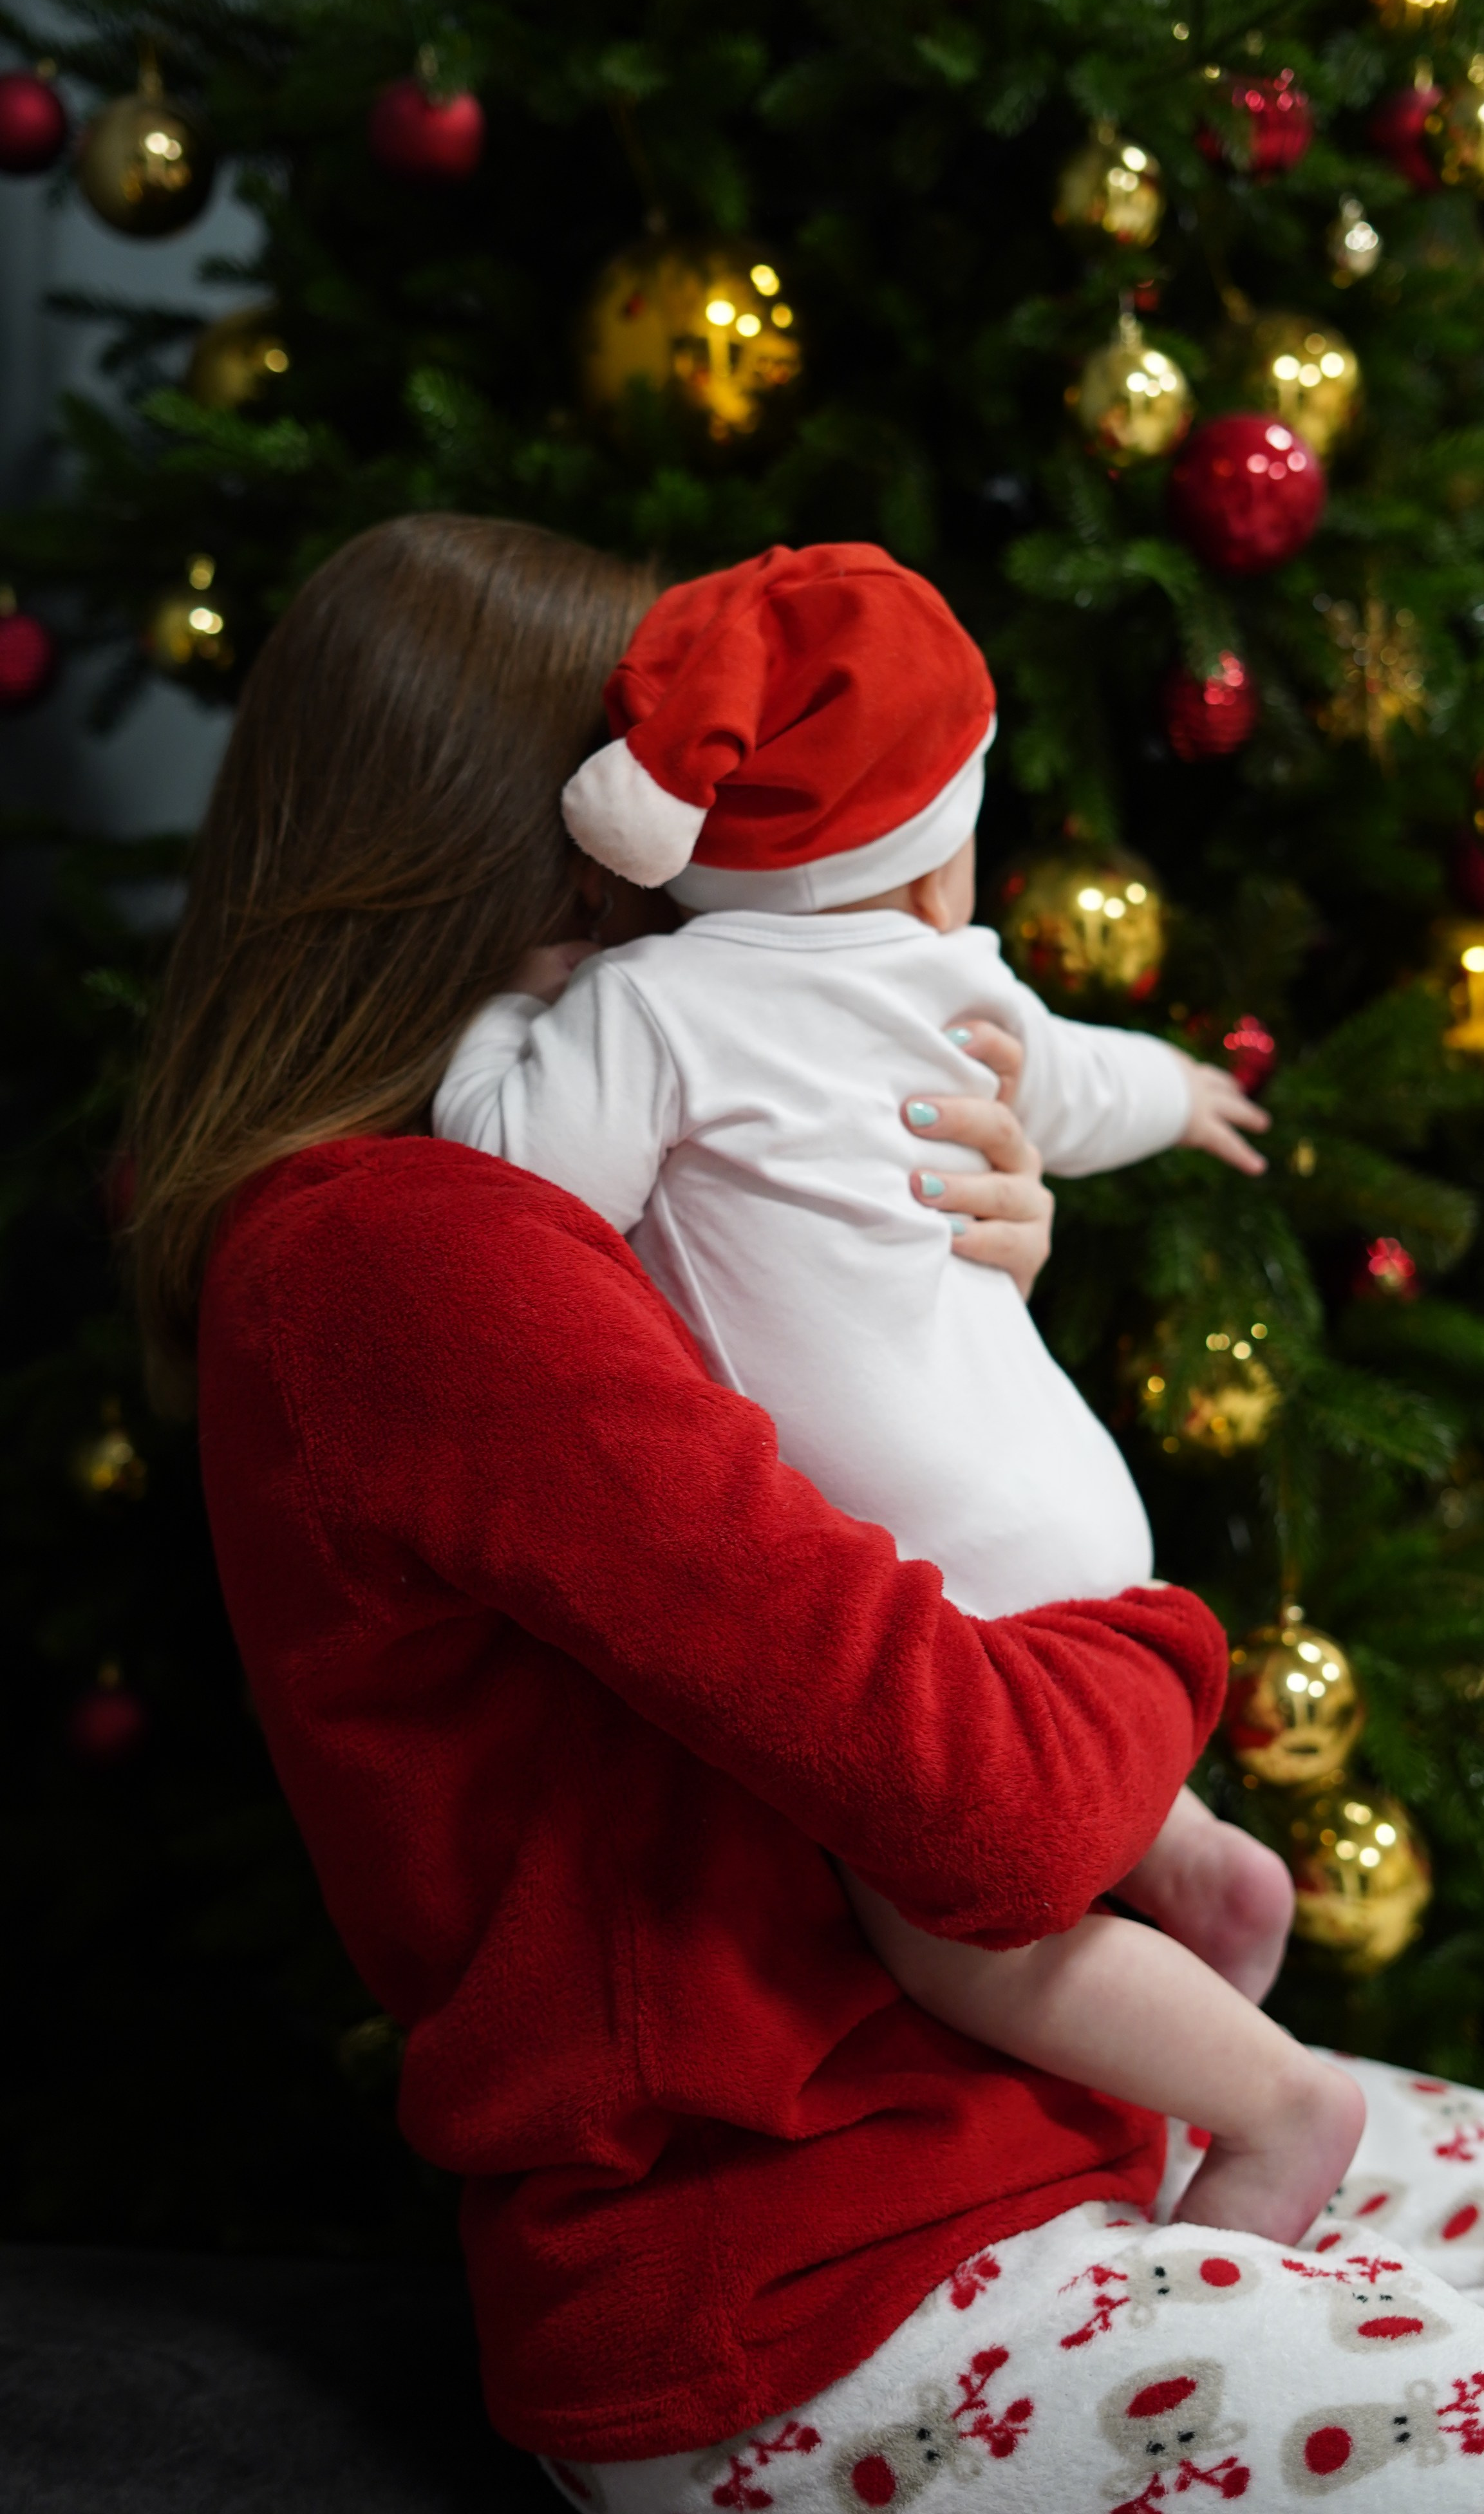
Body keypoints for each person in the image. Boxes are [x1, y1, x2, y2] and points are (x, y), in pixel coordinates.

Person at [126, 514, 1484, 2511]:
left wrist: (944, 1296)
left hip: (1004, 2147)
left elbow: (773, 1488)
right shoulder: (411, 1254)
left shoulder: (533, 1199)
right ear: (567, 844)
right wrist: (1158, 1649)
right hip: (817, 2291)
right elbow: (995, 1808)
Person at [431, 540, 1360, 2245]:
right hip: (1073, 1502)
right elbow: (1076, 1091)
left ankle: (1279, 2104)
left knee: (942, 1925)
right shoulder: (963, 987)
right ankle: (1183, 1849)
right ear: (939, 869)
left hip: (926, 1550)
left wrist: (505, 1018)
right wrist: (1176, 1085)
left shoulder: (653, 1007)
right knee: (1055, 1735)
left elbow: (510, 1179)